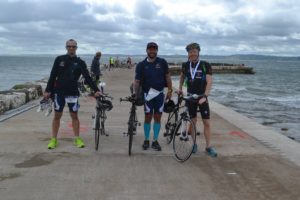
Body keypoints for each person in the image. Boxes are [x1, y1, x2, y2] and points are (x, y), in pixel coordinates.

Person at [44, 39, 101, 149]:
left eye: (73, 46)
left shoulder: (80, 62)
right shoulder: (59, 59)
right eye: (69, 46)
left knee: (74, 116)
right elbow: (52, 75)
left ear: (76, 48)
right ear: (66, 47)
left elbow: (87, 77)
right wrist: (47, 90)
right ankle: (53, 139)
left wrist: (96, 90)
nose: (71, 48)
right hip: (59, 92)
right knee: (57, 116)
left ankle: (77, 139)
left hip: (72, 93)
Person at [178, 42, 217, 157]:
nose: (192, 54)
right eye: (190, 52)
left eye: (194, 51)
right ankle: (194, 144)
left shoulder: (205, 65)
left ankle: (208, 146)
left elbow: (209, 81)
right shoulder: (185, 65)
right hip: (190, 97)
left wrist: (205, 96)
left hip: (202, 97)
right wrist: (180, 89)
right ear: (188, 54)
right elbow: (182, 77)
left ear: (198, 52)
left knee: (207, 122)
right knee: (193, 121)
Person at [133, 42, 172, 151]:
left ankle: (155, 140)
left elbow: (168, 77)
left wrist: (170, 90)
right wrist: (135, 94)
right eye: (150, 49)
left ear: (157, 51)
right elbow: (137, 81)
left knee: (158, 117)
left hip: (159, 94)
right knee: (148, 117)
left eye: (154, 49)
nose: (152, 51)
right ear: (146, 51)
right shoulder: (141, 65)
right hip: (147, 95)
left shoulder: (162, 62)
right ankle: (146, 139)